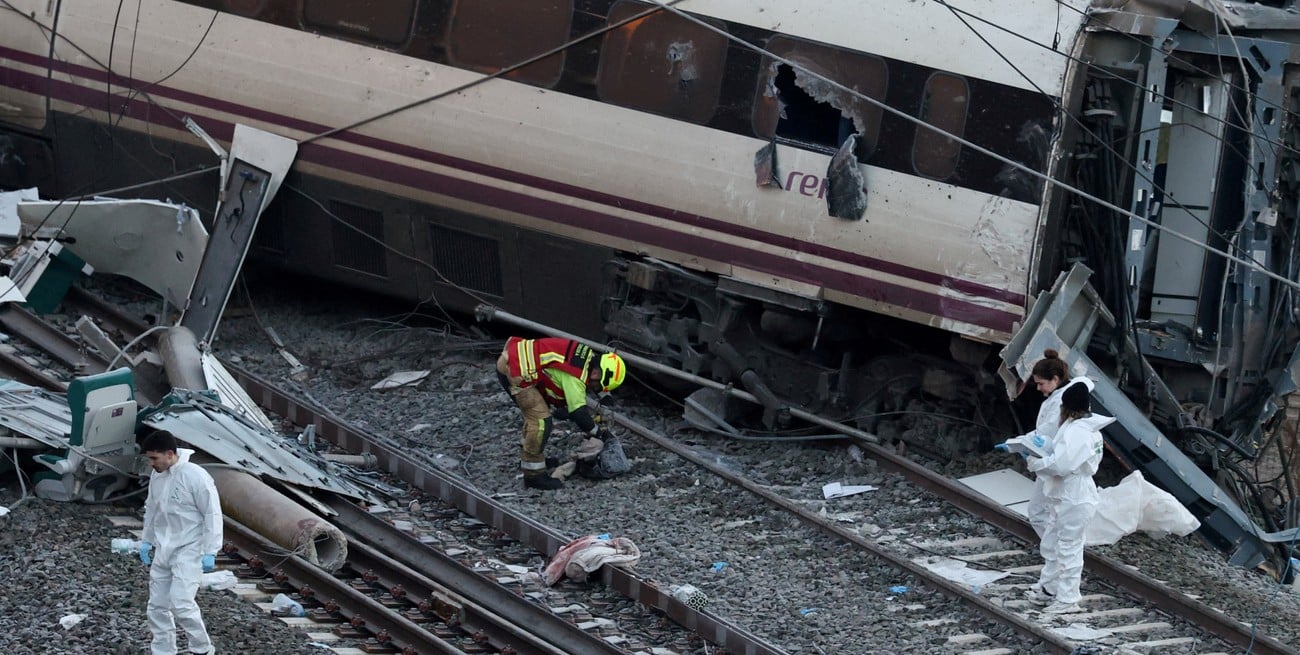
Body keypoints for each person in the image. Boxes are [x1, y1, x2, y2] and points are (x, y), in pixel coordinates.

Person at [1025, 382, 1112, 614]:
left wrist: (1037, 463)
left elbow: (1062, 464)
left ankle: (1068, 599)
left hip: (1074, 495)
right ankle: (1050, 589)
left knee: (1068, 547)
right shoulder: (1084, 427)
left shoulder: (1078, 431)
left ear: (1066, 408)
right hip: (1069, 494)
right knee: (1053, 542)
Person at [496, 336, 626, 490]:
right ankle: (533, 476)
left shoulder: (588, 358)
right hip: (515, 371)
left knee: (536, 416)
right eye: (597, 386)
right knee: (541, 421)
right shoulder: (576, 378)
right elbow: (579, 413)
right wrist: (599, 433)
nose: (593, 389)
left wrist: (605, 398)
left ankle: (530, 458)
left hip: (514, 360)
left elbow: (586, 383)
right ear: (596, 374)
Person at [138, 429, 223, 655]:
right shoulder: (158, 476)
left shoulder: (195, 476)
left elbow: (212, 514)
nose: (151, 463)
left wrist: (211, 550)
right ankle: (163, 650)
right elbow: (152, 509)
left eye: (154, 458)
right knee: (157, 605)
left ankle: (202, 648)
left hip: (190, 548)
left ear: (169, 454)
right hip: (165, 548)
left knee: (182, 604)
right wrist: (146, 540)